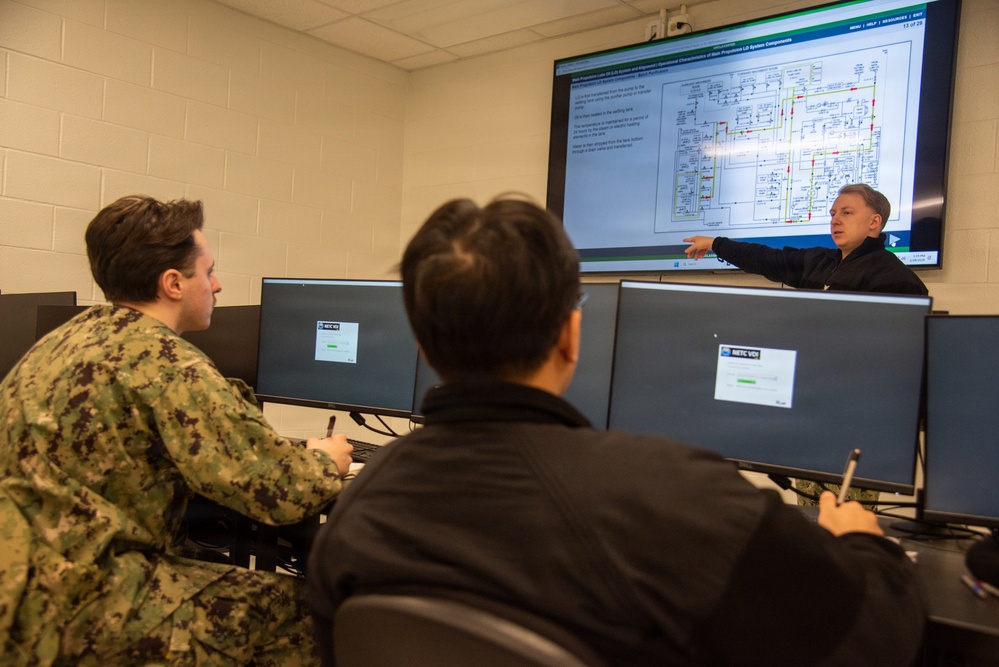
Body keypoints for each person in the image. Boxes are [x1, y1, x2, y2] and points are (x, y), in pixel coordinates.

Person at [307, 195, 926, 666]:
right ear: (571, 335)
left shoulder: (362, 505)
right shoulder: (668, 491)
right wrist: (862, 545)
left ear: (422, 344)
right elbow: (874, 639)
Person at [0, 195, 353, 666]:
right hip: (81, 604)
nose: (217, 285)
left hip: (21, 588)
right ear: (173, 283)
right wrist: (327, 459)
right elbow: (277, 491)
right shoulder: (165, 361)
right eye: (208, 272)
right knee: (303, 611)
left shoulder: (63, 341)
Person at [683, 183, 928, 296]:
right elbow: (764, 258)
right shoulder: (820, 261)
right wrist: (715, 244)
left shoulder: (896, 280)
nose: (835, 220)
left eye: (846, 213)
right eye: (833, 214)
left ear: (874, 221)